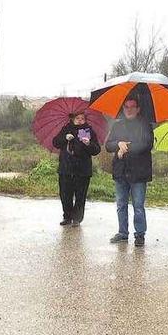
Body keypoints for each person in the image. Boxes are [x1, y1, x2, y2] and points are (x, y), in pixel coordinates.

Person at [105, 97, 154, 246]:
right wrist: (118, 144)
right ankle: (122, 233)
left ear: (138, 109)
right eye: (126, 107)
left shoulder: (145, 125)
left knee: (138, 206)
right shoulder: (117, 125)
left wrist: (125, 148)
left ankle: (140, 234)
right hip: (121, 171)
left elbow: (146, 144)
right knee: (121, 204)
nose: (129, 109)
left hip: (139, 172)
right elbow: (108, 145)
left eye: (132, 107)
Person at [52, 110, 102, 227]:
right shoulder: (66, 129)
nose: (80, 120)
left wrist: (88, 144)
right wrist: (65, 138)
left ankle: (77, 218)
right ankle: (67, 217)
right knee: (65, 194)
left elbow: (96, 150)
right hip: (66, 168)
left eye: (82, 118)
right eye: (77, 118)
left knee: (80, 196)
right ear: (73, 119)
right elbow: (55, 142)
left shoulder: (89, 131)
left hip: (83, 170)